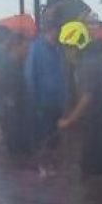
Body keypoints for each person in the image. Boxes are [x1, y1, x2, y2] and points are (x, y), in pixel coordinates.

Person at [56, 21, 102, 175]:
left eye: (66, 47)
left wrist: (69, 120)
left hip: (97, 122)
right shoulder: (99, 59)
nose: (65, 53)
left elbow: (87, 97)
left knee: (89, 171)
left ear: (74, 46)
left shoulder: (86, 64)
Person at [23, 16, 68, 168]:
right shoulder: (36, 48)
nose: (56, 33)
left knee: (55, 138)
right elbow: (30, 75)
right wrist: (34, 102)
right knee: (44, 137)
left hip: (57, 102)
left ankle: (51, 166)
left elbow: (62, 75)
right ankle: (42, 167)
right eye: (54, 30)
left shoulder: (57, 49)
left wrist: (64, 99)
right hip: (42, 102)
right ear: (49, 30)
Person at [0, 32, 29, 154]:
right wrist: (7, 101)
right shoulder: (7, 65)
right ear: (16, 46)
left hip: (13, 111)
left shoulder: (19, 64)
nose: (27, 51)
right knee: (12, 146)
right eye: (25, 47)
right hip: (7, 112)